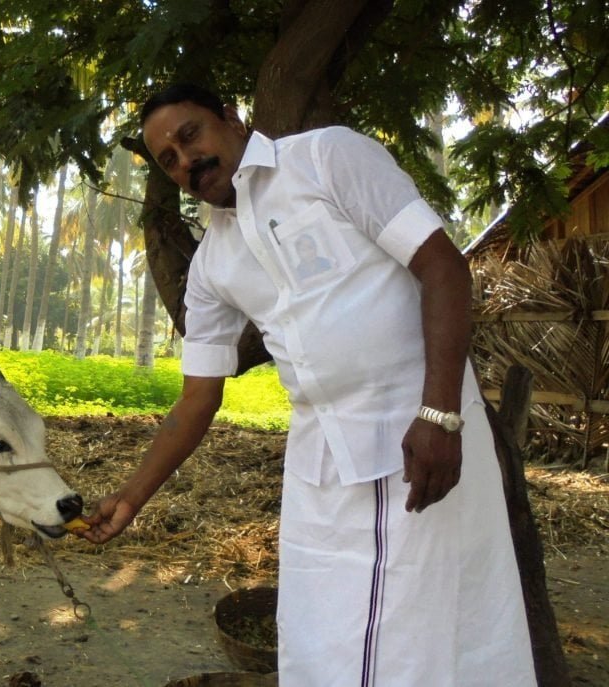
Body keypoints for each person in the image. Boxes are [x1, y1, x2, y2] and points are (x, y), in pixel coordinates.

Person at [77, 84, 536, 686]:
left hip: (418, 435)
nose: (186, 162)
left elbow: (442, 267)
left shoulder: (328, 158)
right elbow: (198, 395)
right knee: (321, 635)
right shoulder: (212, 263)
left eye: (190, 135)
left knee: (425, 628)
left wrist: (440, 415)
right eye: (168, 160)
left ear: (231, 118)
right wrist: (132, 497)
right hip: (319, 462)